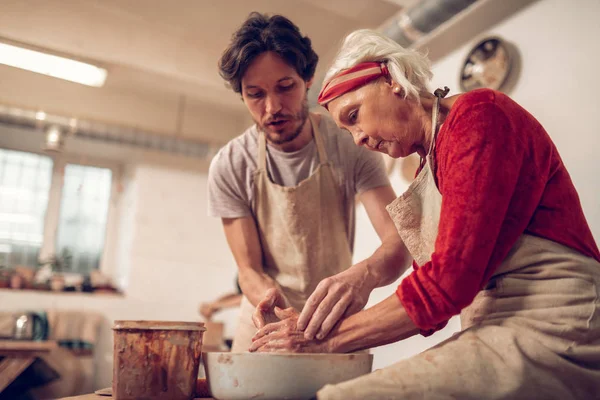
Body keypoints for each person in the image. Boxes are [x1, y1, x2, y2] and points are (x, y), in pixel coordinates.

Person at [249, 29, 600, 399]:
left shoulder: (480, 115)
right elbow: (432, 293)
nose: (359, 140)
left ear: (393, 82)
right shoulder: (429, 166)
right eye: (346, 130)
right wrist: (322, 325)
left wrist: (321, 342)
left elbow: (448, 284)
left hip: (560, 322)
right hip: (498, 326)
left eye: (354, 116)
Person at [209, 14, 407, 352]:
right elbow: (248, 269)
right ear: (241, 95)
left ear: (308, 79)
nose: (272, 107)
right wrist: (271, 300)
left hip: (333, 318)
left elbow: (398, 242)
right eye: (255, 94)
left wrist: (366, 275)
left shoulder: (349, 143)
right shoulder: (231, 164)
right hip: (265, 319)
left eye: (285, 87)